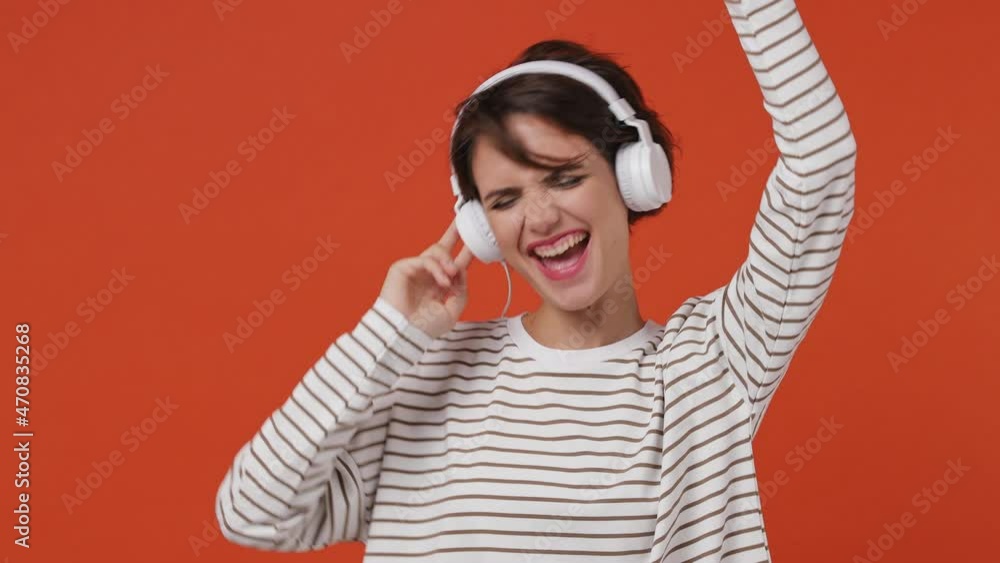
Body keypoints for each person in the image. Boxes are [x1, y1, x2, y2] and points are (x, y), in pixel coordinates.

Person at [214, 0, 857, 560]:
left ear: (633, 177)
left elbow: (821, 164)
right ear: (480, 228)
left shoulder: (709, 367)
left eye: (565, 177)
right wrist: (387, 333)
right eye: (505, 199)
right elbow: (251, 512)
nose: (541, 218)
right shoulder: (424, 375)